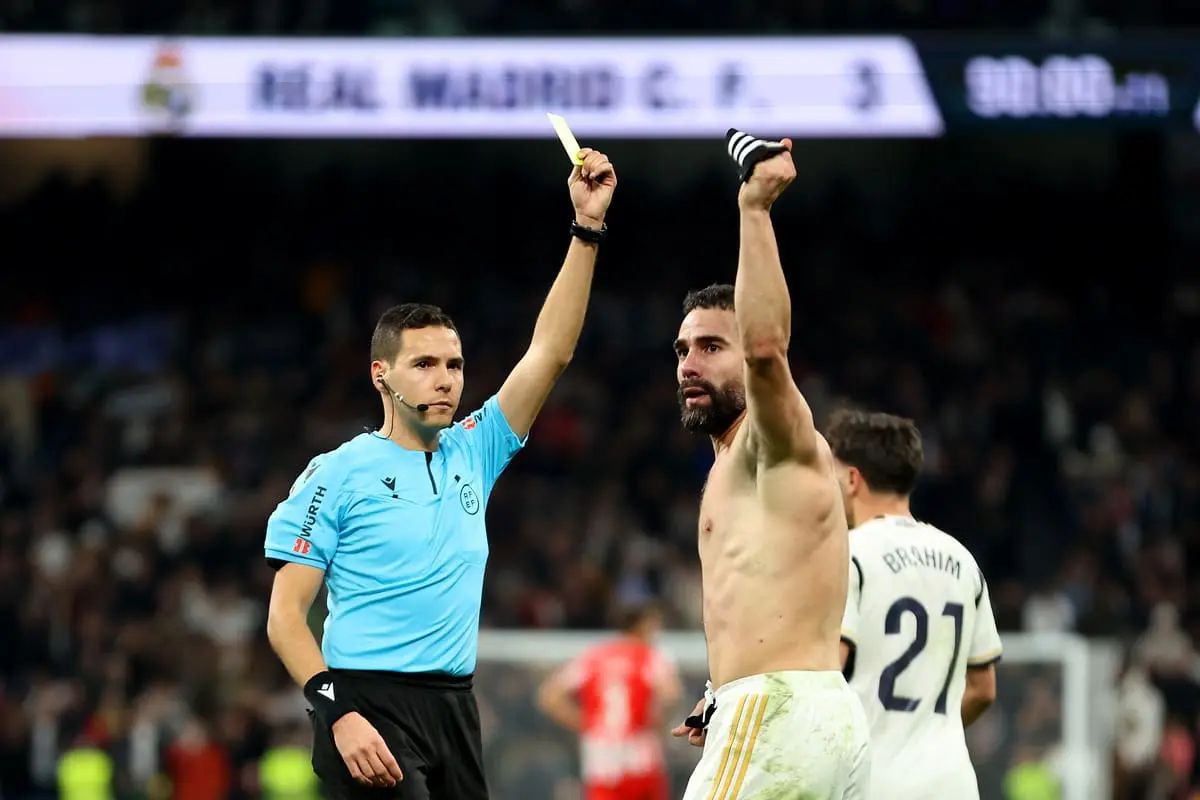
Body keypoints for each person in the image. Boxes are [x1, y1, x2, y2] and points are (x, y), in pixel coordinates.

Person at [262, 147, 618, 800]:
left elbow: (551, 352)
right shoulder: (336, 474)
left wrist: (587, 228)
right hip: (368, 704)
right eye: (424, 364)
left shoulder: (472, 451)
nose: (446, 379)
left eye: (453, 365)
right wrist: (337, 713)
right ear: (381, 374)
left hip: (455, 708)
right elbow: (286, 617)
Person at [668, 130, 871, 799]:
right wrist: (716, 692)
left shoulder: (769, 434)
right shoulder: (738, 462)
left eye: (708, 347)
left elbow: (764, 349)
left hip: (776, 714)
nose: (688, 364)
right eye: (681, 350)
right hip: (809, 715)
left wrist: (754, 210)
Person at [827, 407, 1002, 799]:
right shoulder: (962, 559)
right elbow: (983, 689)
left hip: (873, 783)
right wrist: (923, 731)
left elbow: (825, 672)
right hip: (953, 783)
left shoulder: (848, 553)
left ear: (853, 479)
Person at [536, 603, 683, 800]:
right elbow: (672, 695)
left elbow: (549, 696)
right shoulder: (650, 656)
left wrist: (588, 723)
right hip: (641, 756)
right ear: (642, 625)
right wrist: (657, 722)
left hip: (602, 760)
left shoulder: (593, 656)